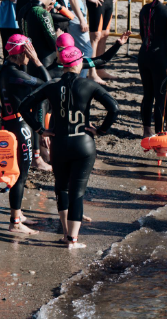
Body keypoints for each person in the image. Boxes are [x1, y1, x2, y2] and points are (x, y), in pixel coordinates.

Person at [20, 46, 120, 248]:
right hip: (83, 143)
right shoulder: (88, 84)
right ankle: (72, 240)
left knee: (62, 188)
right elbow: (114, 108)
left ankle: (66, 235)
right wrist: (101, 130)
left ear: (62, 64)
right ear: (78, 63)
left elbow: (24, 107)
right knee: (77, 192)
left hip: (59, 143)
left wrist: (40, 130)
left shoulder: (51, 85)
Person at [1, 36, 50, 234]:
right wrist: (38, 62)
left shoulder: (4, 70)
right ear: (22, 53)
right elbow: (48, 84)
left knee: (17, 172)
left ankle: (18, 214)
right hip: (19, 127)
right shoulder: (16, 75)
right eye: (28, 53)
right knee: (20, 174)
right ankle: (15, 222)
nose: (30, 57)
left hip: (8, 123)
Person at [138, 0, 167, 137]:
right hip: (160, 56)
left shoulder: (144, 9)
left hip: (144, 54)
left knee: (148, 94)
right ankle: (160, 132)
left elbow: (142, 33)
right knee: (161, 95)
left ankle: (147, 130)